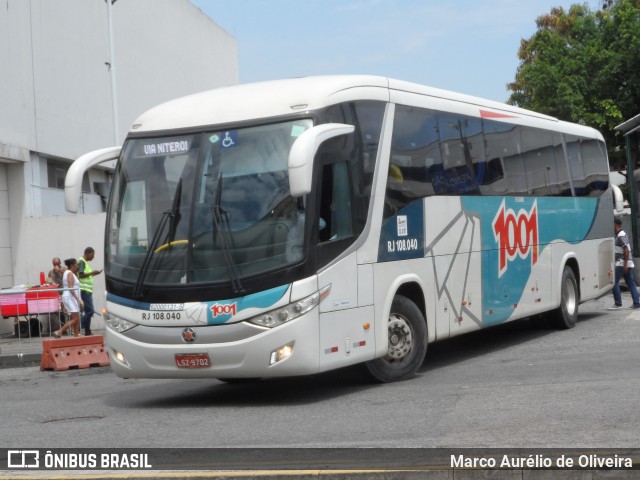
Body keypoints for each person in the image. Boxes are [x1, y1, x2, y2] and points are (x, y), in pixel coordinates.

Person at [610, 217, 640, 310]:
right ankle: (636, 303)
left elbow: (626, 249)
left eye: (612, 225)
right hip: (626, 262)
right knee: (631, 283)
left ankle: (618, 303)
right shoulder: (621, 234)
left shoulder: (620, 235)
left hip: (622, 262)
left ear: (615, 225)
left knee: (614, 282)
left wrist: (625, 264)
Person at [53, 258, 82, 338]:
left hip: (70, 297)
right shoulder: (69, 274)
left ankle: (76, 336)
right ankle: (59, 332)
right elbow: (71, 288)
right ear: (72, 265)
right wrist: (78, 300)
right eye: (76, 264)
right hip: (70, 298)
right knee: (75, 319)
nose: (77, 265)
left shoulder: (68, 272)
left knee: (76, 318)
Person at [78, 247, 102, 336]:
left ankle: (88, 331)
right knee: (90, 311)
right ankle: (78, 325)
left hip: (87, 290)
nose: (93, 257)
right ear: (87, 253)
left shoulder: (84, 263)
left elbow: (85, 275)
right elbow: (80, 275)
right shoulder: (82, 262)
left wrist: (93, 274)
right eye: (92, 254)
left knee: (88, 311)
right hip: (84, 290)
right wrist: (92, 273)